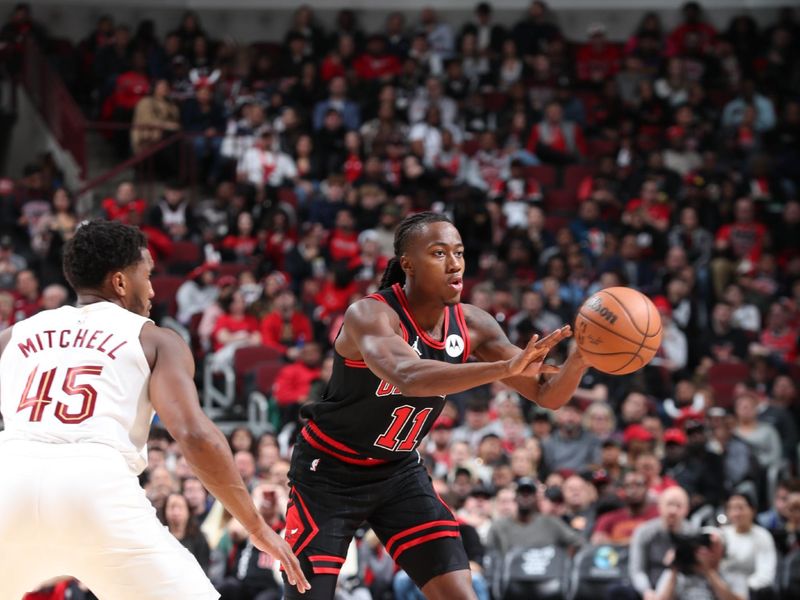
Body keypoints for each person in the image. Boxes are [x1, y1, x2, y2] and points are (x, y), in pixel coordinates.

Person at [283, 212, 587, 599]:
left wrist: (581, 358)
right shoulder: (370, 314)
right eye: (439, 253)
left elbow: (548, 395)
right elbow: (407, 375)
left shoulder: (474, 324)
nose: (455, 262)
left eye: (459, 252)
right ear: (407, 263)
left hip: (398, 472)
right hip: (328, 472)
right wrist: (502, 368)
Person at [0, 220, 309, 599]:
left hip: (8, 479)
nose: (150, 290)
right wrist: (257, 527)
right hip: (95, 484)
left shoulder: (13, 335)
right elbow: (194, 435)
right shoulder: (152, 337)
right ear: (119, 282)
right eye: (146, 276)